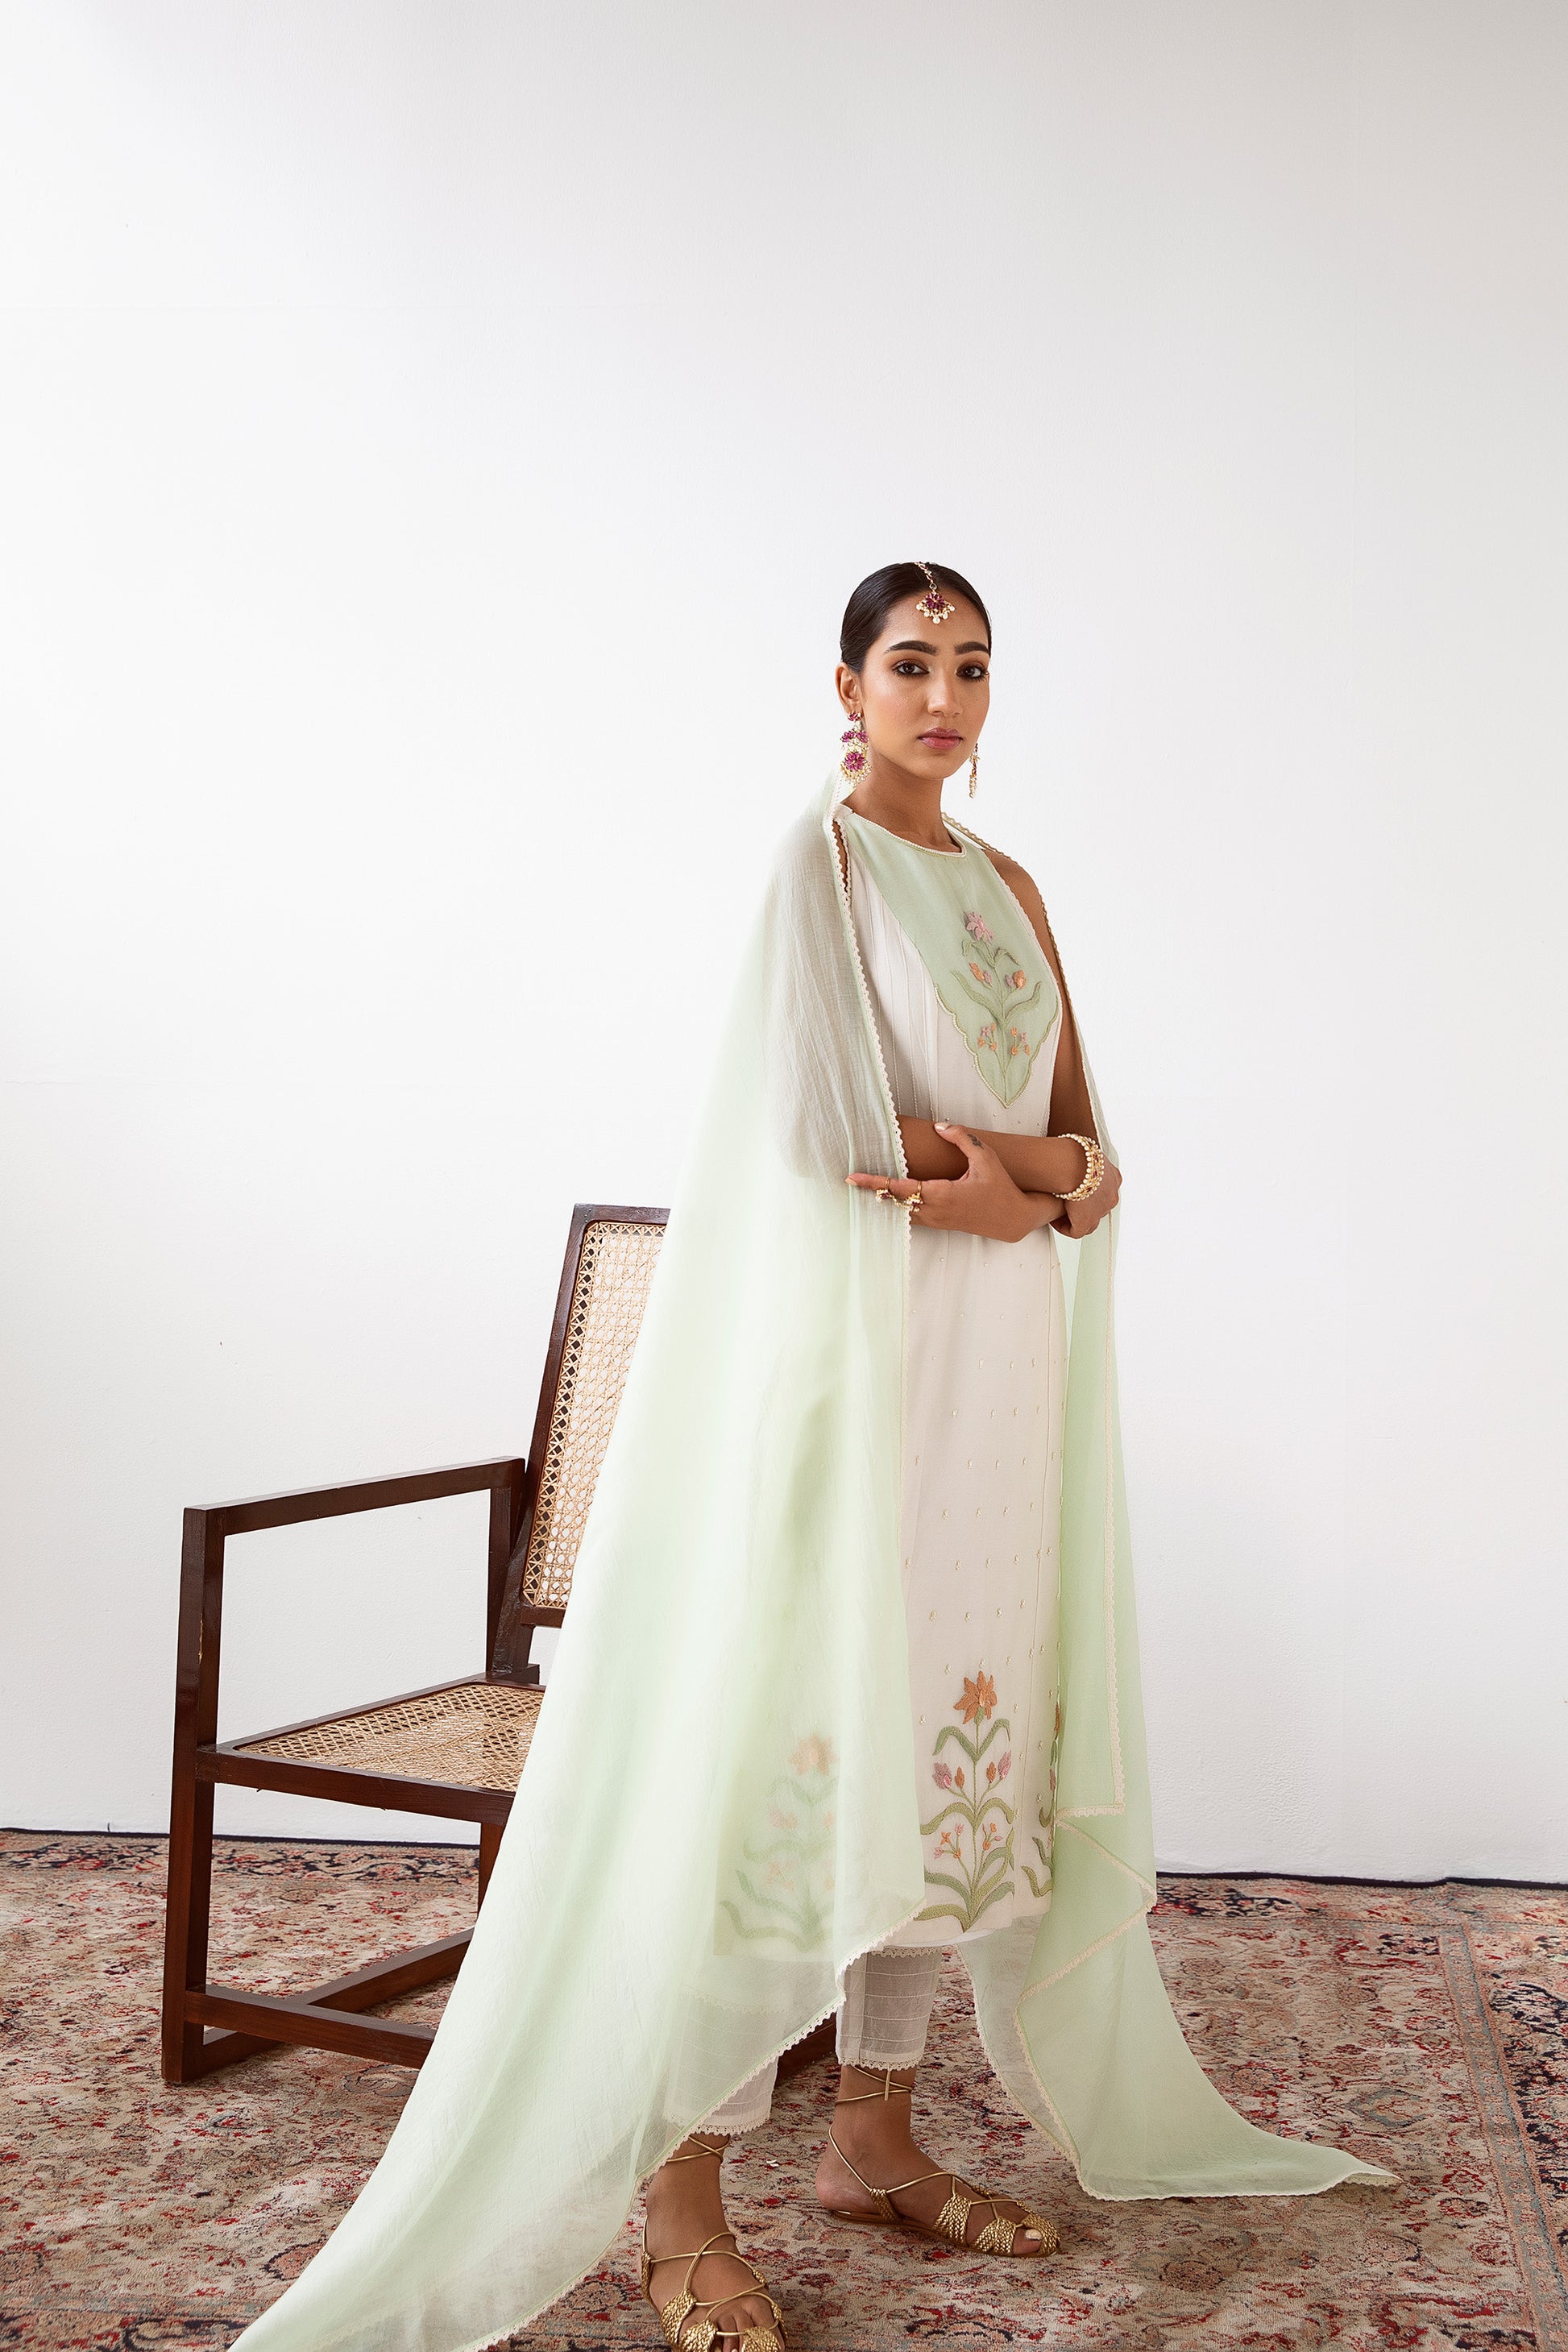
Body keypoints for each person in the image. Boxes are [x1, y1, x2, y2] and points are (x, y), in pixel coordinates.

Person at [231, 563, 1392, 2352]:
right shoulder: (817, 870)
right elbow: (817, 1127)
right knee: (782, 1766)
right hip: (858, 1376)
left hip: (995, 1399)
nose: (944, 694)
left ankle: (873, 2136)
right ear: (846, 685)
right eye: (909, 661)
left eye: (972, 666)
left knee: (940, 1761)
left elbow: (1091, 1150)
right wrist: (1023, 1183)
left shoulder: (1008, 888)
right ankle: (680, 2200)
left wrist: (1018, 1183)